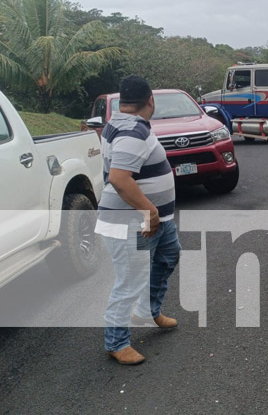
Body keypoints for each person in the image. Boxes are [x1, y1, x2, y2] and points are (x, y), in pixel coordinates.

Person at [95, 75, 181, 365]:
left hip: (152, 220)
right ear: (150, 101)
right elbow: (120, 179)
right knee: (129, 281)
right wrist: (151, 211)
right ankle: (116, 342)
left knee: (168, 255)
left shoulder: (122, 123)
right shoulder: (133, 131)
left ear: (122, 101)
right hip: (134, 221)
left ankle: (148, 310)